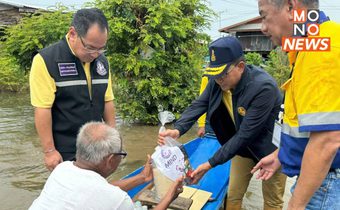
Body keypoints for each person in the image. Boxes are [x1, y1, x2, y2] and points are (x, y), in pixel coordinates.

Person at [158, 36, 287, 210]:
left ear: (240, 67)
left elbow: (245, 134)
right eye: (214, 74)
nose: (218, 79)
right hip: (241, 150)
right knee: (233, 196)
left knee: (272, 201)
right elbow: (199, 104)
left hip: (271, 152)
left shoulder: (263, 88)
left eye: (222, 74)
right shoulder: (218, 82)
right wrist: (178, 130)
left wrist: (209, 163)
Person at [252, 1, 340, 209]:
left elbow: (327, 141)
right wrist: (281, 156)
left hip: (327, 184)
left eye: (264, 16)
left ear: (291, 8)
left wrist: (295, 205)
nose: (262, 28)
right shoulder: (312, 45)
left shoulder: (322, 48)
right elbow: (312, 127)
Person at [30, 8, 116, 171]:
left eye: (101, 48)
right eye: (90, 48)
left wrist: (113, 138)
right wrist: (49, 151)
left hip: (97, 146)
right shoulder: (46, 60)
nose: (96, 54)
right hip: (66, 149)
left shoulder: (101, 62)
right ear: (72, 34)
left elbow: (107, 101)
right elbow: (42, 108)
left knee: (97, 191)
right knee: (71, 193)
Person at [29, 122, 183, 210]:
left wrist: (143, 177)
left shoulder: (62, 169)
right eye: (121, 154)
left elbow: (100, 188)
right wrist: (170, 195)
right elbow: (105, 192)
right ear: (110, 160)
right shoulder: (117, 200)